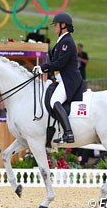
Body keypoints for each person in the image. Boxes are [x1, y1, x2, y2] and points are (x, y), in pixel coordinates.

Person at [33, 12, 84, 144]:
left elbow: (60, 63)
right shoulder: (61, 41)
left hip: (69, 80)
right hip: (61, 79)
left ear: (63, 26)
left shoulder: (67, 42)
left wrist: (42, 68)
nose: (54, 27)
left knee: (54, 101)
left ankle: (68, 133)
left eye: (56, 25)